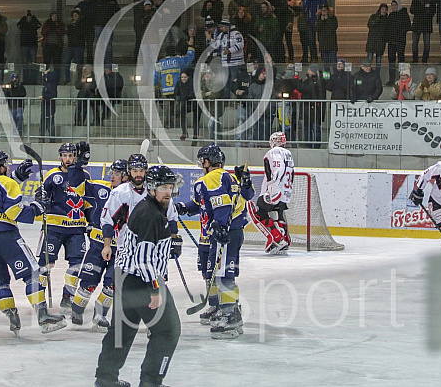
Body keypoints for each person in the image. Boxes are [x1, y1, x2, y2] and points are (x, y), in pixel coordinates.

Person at [94, 165, 181, 387]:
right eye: (163, 187)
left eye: (170, 187)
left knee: (121, 331)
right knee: (168, 331)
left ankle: (105, 379)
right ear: (151, 188)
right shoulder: (151, 214)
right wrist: (154, 288)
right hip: (143, 282)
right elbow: (144, 259)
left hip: (124, 279)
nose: (168, 191)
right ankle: (151, 382)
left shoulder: (150, 207)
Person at [0, 150, 66, 334]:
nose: (8, 167)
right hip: (5, 235)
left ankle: (12, 316)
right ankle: (43, 317)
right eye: (6, 164)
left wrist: (16, 176)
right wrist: (37, 208)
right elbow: (13, 212)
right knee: (32, 274)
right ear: (1, 166)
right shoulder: (8, 183)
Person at [175, 144, 254, 338]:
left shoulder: (210, 178)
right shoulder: (229, 177)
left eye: (202, 161)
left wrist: (219, 225)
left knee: (224, 273)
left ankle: (230, 315)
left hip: (224, 231)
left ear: (207, 162)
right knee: (218, 272)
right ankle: (228, 309)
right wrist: (183, 208)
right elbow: (246, 195)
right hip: (231, 230)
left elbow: (221, 202)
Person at [71, 159, 128, 330]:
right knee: (88, 283)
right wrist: (77, 165)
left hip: (121, 249)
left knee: (112, 284)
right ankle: (77, 309)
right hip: (97, 246)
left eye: (117, 174)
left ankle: (100, 314)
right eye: (112, 172)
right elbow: (75, 185)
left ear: (126, 177)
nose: (113, 176)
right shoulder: (100, 188)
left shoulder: (132, 195)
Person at [37, 142, 93, 313]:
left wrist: (91, 222)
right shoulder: (53, 175)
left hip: (76, 228)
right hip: (54, 227)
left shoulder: (85, 175)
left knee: (76, 265)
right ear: (60, 156)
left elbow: (89, 201)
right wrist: (42, 200)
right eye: (65, 155)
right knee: (46, 264)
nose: (68, 159)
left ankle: (67, 297)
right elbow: (40, 195)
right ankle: (39, 298)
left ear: (76, 157)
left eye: (71, 156)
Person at [248, 132, 295, 254]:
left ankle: (277, 239)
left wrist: (273, 187)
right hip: (286, 191)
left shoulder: (275, 152)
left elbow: (278, 168)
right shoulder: (288, 154)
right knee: (277, 213)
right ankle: (284, 238)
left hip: (275, 189)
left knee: (259, 213)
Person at [154, 44, 195, 128]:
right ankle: (175, 123)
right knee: (178, 107)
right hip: (177, 90)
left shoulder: (160, 63)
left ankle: (168, 123)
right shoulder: (178, 60)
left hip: (166, 90)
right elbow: (189, 59)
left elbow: (155, 78)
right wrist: (191, 48)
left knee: (170, 107)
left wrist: (155, 85)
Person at [210, 18, 244, 100]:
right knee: (225, 82)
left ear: (227, 26)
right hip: (225, 63)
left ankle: (235, 99)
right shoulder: (221, 35)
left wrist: (229, 50)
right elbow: (216, 45)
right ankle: (226, 100)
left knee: (234, 82)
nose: (221, 29)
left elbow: (240, 45)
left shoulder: (237, 34)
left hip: (236, 63)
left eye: (222, 27)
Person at [386, 0, 411, 86]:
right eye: (392, 5)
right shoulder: (391, 15)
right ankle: (391, 79)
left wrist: (400, 32)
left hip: (400, 40)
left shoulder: (403, 14)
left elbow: (408, 26)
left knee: (401, 60)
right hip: (392, 42)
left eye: (395, 5)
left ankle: (403, 79)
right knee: (391, 60)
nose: (393, 7)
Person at [410, 0, 436, 64]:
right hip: (417, 25)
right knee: (415, 43)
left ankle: (425, 59)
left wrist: (422, 10)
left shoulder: (431, 0)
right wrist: (423, 9)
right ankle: (415, 59)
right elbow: (412, 10)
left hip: (426, 25)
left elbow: (432, 12)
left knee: (427, 43)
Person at [174, 68, 200, 140]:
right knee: (182, 116)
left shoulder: (192, 83)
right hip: (184, 103)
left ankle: (195, 134)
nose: (183, 79)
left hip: (194, 103)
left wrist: (186, 97)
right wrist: (178, 98)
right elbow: (176, 93)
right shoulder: (179, 83)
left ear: (188, 77)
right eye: (182, 77)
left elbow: (193, 93)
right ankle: (184, 132)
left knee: (196, 119)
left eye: (185, 77)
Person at [63, 8, 88, 84]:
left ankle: (78, 78)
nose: (75, 16)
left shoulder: (82, 24)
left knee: (78, 62)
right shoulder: (70, 24)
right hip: (71, 45)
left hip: (79, 45)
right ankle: (67, 78)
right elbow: (68, 33)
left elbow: (81, 33)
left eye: (76, 15)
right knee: (67, 62)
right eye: (74, 15)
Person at [17, 10, 42, 84]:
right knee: (25, 62)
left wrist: (34, 18)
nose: (29, 19)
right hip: (25, 45)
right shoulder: (23, 25)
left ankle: (33, 78)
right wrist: (23, 18)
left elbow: (39, 25)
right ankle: (26, 78)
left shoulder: (33, 25)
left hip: (32, 45)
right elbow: (18, 25)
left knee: (33, 62)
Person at [366, 3, 389, 79]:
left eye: (385, 10)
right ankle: (367, 75)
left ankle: (376, 77)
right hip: (372, 41)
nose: (384, 11)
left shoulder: (387, 19)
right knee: (369, 60)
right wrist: (378, 18)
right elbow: (369, 25)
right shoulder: (374, 16)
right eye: (382, 9)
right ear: (380, 10)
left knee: (378, 61)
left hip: (380, 42)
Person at [315, 4, 338, 72]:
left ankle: (335, 76)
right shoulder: (318, 19)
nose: (324, 11)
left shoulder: (333, 18)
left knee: (333, 63)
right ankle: (327, 78)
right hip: (323, 44)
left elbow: (333, 27)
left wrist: (327, 19)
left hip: (332, 44)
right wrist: (321, 20)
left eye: (325, 10)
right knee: (325, 64)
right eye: (323, 10)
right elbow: (316, 28)